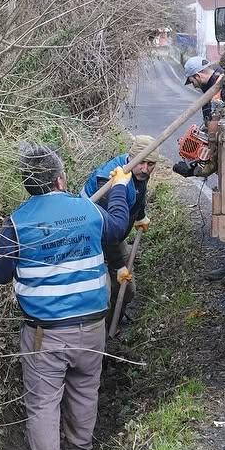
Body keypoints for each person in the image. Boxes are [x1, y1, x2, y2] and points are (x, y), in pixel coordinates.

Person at [0, 141, 131, 450]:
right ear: (60, 179)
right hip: (92, 327)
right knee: (85, 389)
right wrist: (118, 188)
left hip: (45, 334)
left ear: (27, 183)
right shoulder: (85, 210)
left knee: (43, 404)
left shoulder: (16, 224)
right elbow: (117, 228)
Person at [81, 135, 157, 328]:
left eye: (151, 164)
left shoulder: (137, 171)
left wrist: (140, 215)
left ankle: (112, 327)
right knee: (100, 296)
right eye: (141, 163)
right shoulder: (109, 182)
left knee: (127, 291)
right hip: (89, 241)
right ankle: (98, 335)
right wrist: (118, 265)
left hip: (113, 236)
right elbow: (107, 232)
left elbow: (139, 192)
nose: (145, 169)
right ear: (130, 158)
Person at [183, 56, 225, 285]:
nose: (194, 86)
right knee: (223, 208)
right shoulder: (215, 90)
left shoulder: (221, 90)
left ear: (197, 76)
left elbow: (219, 138)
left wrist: (197, 170)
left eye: (192, 81)